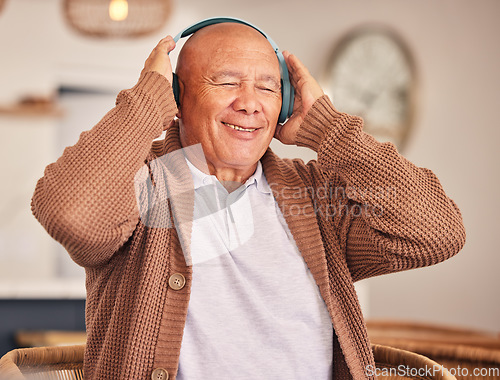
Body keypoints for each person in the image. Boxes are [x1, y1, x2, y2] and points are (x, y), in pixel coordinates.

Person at [30, 19, 466, 380]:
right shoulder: (143, 186)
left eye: (268, 88)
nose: (250, 104)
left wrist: (329, 129)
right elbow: (69, 213)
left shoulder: (314, 200)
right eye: (226, 82)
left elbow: (437, 233)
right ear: (178, 98)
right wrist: (145, 104)